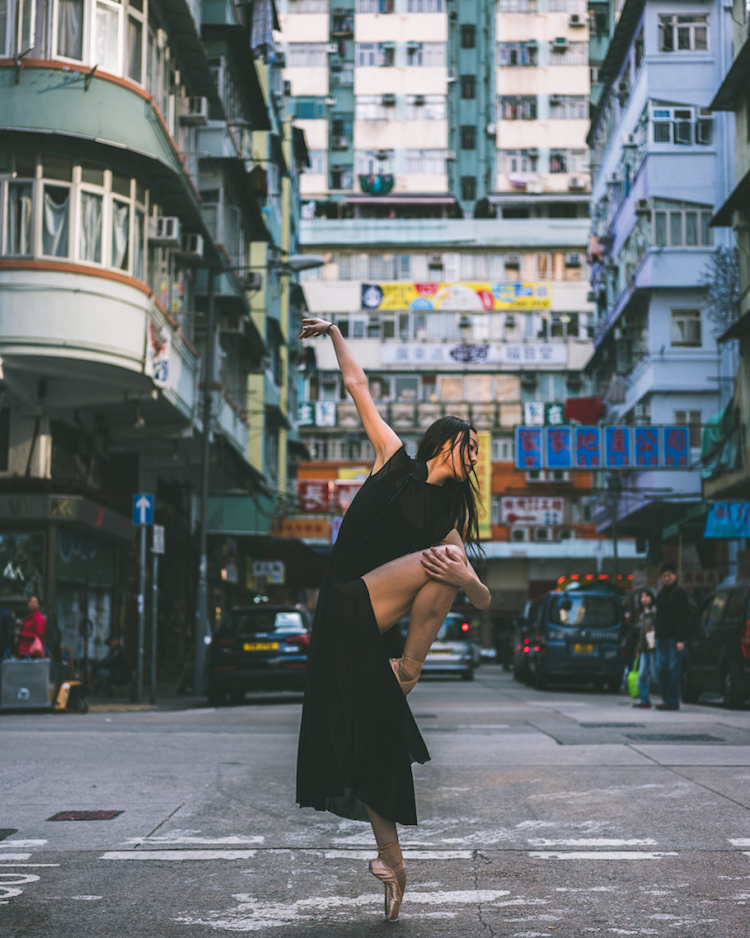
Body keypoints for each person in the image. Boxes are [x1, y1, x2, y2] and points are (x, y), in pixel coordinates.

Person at [295, 317, 491, 922]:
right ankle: (408, 667)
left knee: (375, 745)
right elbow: (358, 386)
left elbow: (483, 600)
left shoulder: (445, 520)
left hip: (360, 622)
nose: (477, 457)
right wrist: (334, 335)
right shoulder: (395, 459)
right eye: (471, 446)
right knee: (449, 561)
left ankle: (392, 861)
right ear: (445, 442)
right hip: (346, 602)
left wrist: (468, 582)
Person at [654, 564, 689, 711]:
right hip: (661, 637)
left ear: (675, 576)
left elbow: (682, 617)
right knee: (661, 669)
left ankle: (673, 701)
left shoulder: (679, 592)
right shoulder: (661, 593)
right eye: (664, 576)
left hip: (674, 639)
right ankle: (666, 700)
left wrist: (680, 639)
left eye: (669, 575)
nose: (667, 578)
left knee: (673, 670)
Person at [632, 589, 658, 709]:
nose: (644, 599)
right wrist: (639, 649)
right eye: (642, 596)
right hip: (645, 649)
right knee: (642, 675)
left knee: (656, 676)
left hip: (654, 648)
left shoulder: (655, 612)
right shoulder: (642, 614)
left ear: (651, 598)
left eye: (647, 596)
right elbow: (642, 635)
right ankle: (645, 700)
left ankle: (671, 698)